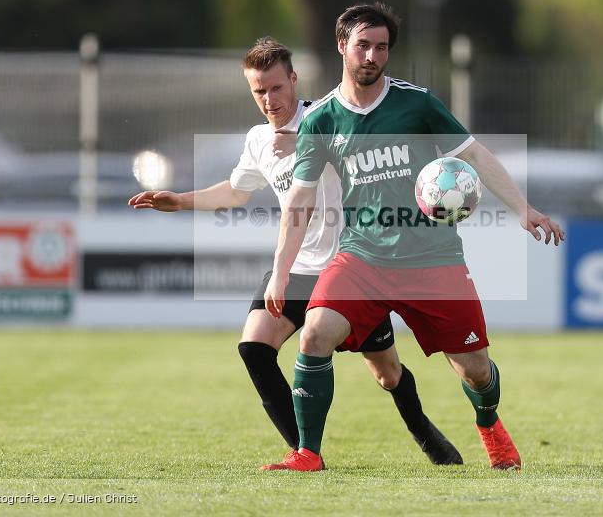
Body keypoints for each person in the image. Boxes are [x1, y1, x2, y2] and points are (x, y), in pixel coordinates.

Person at [128, 36, 462, 466]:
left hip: (350, 266)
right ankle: (304, 451)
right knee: (254, 348)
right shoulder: (256, 141)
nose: (269, 99)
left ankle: (427, 436)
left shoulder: (327, 118)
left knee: (387, 373)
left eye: (277, 88)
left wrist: (303, 140)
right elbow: (235, 192)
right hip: (297, 267)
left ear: (294, 80)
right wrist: (180, 200)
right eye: (259, 91)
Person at [262, 4, 565, 472]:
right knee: (316, 333)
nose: (372, 56)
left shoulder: (416, 103)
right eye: (362, 45)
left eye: (381, 47)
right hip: (362, 257)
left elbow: (476, 156)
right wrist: (280, 273)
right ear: (342, 45)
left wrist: (522, 209)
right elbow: (298, 203)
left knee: (476, 369)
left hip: (433, 258)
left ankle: (488, 423)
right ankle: (308, 453)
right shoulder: (321, 120)